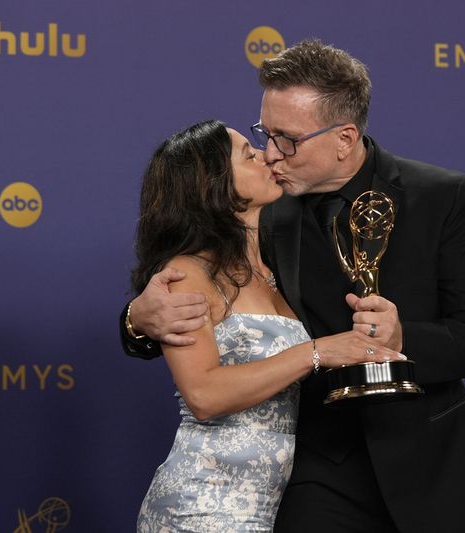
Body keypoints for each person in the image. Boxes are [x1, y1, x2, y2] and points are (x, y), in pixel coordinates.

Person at [123, 41, 465, 532]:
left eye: (288, 139)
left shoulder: (438, 197)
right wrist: (137, 319)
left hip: (433, 470)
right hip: (316, 474)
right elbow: (194, 312)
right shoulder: (258, 209)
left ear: (344, 137)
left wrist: (402, 338)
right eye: (266, 133)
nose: (270, 153)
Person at [129, 119, 401, 532]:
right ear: (213, 185)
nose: (268, 155)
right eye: (248, 154)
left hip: (268, 507)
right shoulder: (187, 273)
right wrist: (317, 352)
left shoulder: (272, 266)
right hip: (203, 505)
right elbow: (203, 394)